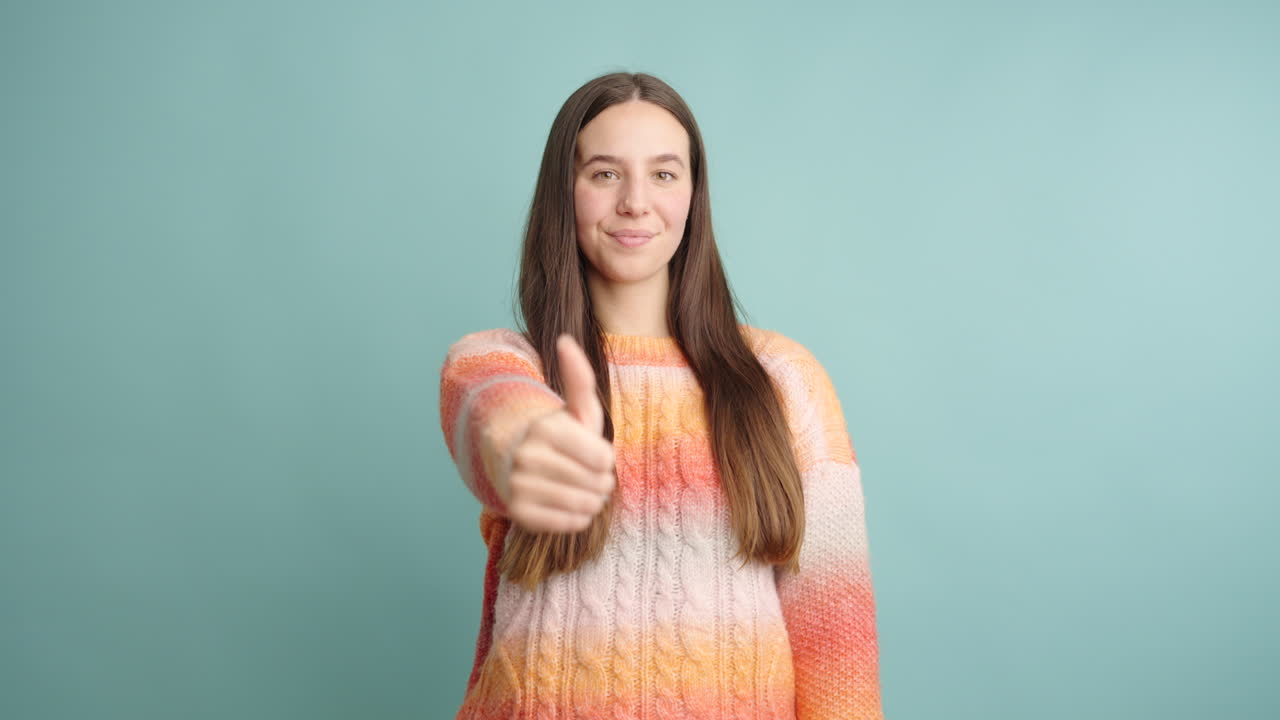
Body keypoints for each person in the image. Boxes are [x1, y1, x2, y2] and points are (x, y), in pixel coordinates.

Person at [439, 71, 882, 719]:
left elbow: (838, 651)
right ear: (566, 191)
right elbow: (490, 411)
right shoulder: (508, 363)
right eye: (605, 174)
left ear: (694, 195)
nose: (636, 203)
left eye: (664, 174)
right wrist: (534, 445)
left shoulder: (783, 379)